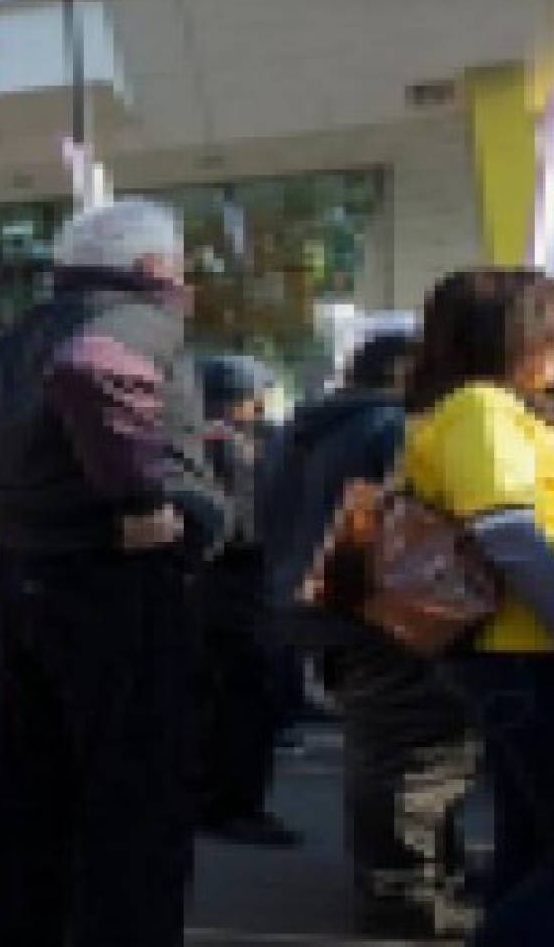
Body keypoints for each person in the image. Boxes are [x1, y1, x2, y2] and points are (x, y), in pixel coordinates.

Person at [0, 199, 227, 947]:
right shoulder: (135, 316)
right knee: (133, 795)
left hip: (31, 575)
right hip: (117, 576)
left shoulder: (20, 337)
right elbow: (95, 371)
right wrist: (140, 497)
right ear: (154, 267)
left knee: (35, 792)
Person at [403, 266, 554, 946]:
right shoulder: (480, 407)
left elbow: (548, 516)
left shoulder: (498, 410)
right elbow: (509, 531)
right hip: (539, 655)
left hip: (536, 654)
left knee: (537, 854)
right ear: (522, 336)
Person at [264, 333, 478, 940]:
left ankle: (407, 883)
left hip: (317, 606)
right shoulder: (392, 428)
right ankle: (405, 898)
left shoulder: (300, 427)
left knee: (382, 752)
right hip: (385, 612)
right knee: (412, 761)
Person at [192, 354, 299, 848]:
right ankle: (233, 805)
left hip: (210, 592)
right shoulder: (227, 447)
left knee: (219, 703)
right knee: (243, 705)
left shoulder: (198, 439)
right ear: (244, 398)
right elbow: (241, 525)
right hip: (236, 593)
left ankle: (211, 797)